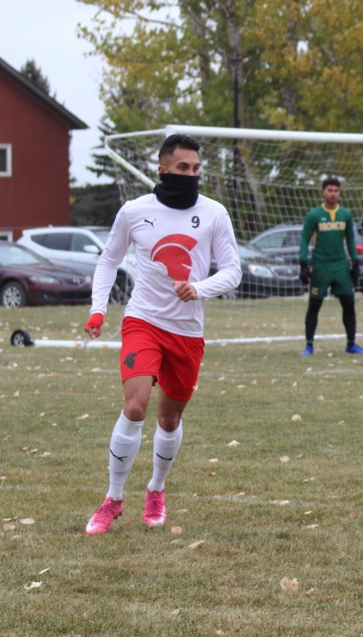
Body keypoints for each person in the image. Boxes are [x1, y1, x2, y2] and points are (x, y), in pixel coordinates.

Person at [83, 134, 242, 535]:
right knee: (135, 407)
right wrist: (98, 310)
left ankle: (156, 489)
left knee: (169, 419)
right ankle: (113, 498)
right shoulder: (134, 211)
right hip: (142, 321)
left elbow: (232, 270)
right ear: (163, 168)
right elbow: (109, 259)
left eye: (196, 169)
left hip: (187, 332)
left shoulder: (214, 213)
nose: (190, 175)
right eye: (183, 168)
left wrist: (199, 288)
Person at [298, 176, 363, 356]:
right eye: (329, 190)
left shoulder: (345, 214)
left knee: (349, 304)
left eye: (336, 190)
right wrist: (302, 262)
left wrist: (355, 262)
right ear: (323, 192)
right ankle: (309, 346)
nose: (333, 193)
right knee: (314, 305)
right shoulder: (314, 215)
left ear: (339, 193)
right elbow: (305, 238)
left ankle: (351, 344)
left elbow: (351, 239)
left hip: (340, 266)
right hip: (320, 267)